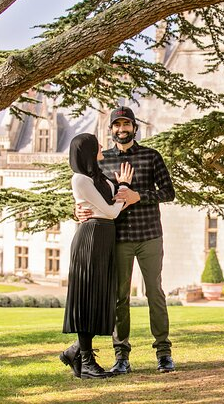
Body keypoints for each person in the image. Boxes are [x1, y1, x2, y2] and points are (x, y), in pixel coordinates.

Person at [62, 106, 177, 375]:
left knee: (155, 294)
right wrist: (76, 211)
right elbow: (88, 196)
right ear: (110, 129)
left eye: (126, 124)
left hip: (149, 235)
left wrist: (140, 196)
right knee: (119, 299)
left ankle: (163, 353)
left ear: (135, 128)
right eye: (117, 125)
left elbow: (169, 192)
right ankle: (121, 356)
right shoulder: (100, 161)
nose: (122, 129)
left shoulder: (151, 156)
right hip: (118, 238)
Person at [60, 133, 134, 379]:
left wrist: (119, 188)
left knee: (98, 297)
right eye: (96, 145)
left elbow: (107, 205)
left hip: (104, 238)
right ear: (88, 151)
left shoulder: (96, 176)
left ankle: (76, 352)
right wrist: (124, 188)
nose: (101, 146)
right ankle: (87, 361)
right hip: (91, 238)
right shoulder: (80, 179)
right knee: (87, 299)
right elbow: (112, 211)